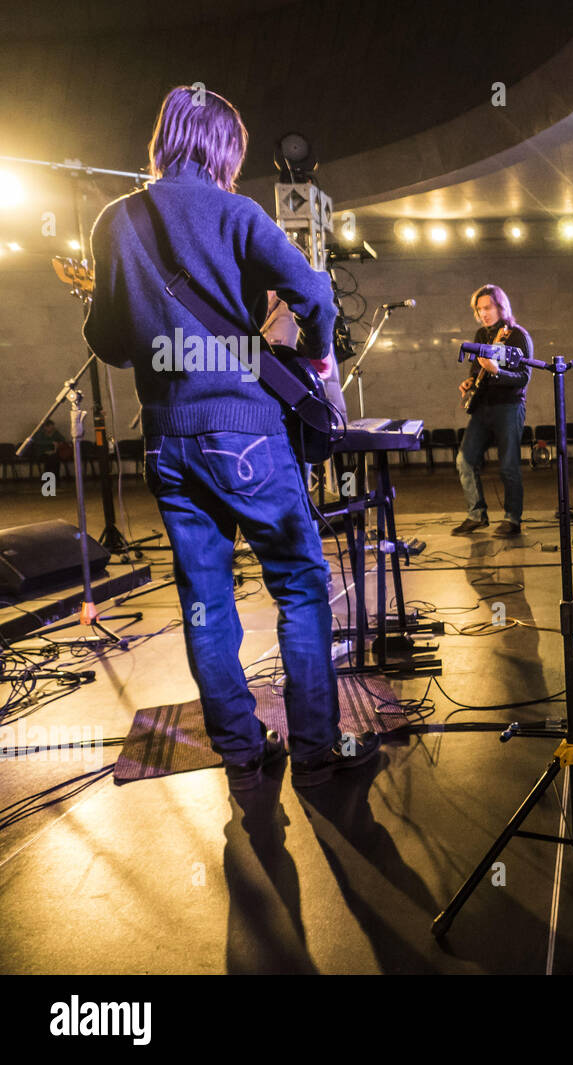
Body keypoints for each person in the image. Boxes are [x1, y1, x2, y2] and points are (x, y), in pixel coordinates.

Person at [82, 85, 376, 791]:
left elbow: (111, 345)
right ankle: (314, 745)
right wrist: (312, 354)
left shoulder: (114, 222)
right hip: (245, 432)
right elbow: (318, 295)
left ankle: (242, 747)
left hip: (166, 444)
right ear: (222, 149)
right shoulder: (238, 213)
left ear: (165, 137)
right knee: (302, 587)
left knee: (204, 597)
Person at [453, 284, 532, 536]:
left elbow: (523, 377)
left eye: (488, 307)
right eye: (479, 309)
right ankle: (477, 515)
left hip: (509, 407)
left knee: (508, 465)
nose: (484, 313)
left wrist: (497, 372)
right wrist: (469, 382)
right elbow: (476, 371)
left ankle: (512, 519)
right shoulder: (481, 335)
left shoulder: (517, 335)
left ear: (501, 306)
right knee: (464, 460)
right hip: (482, 407)